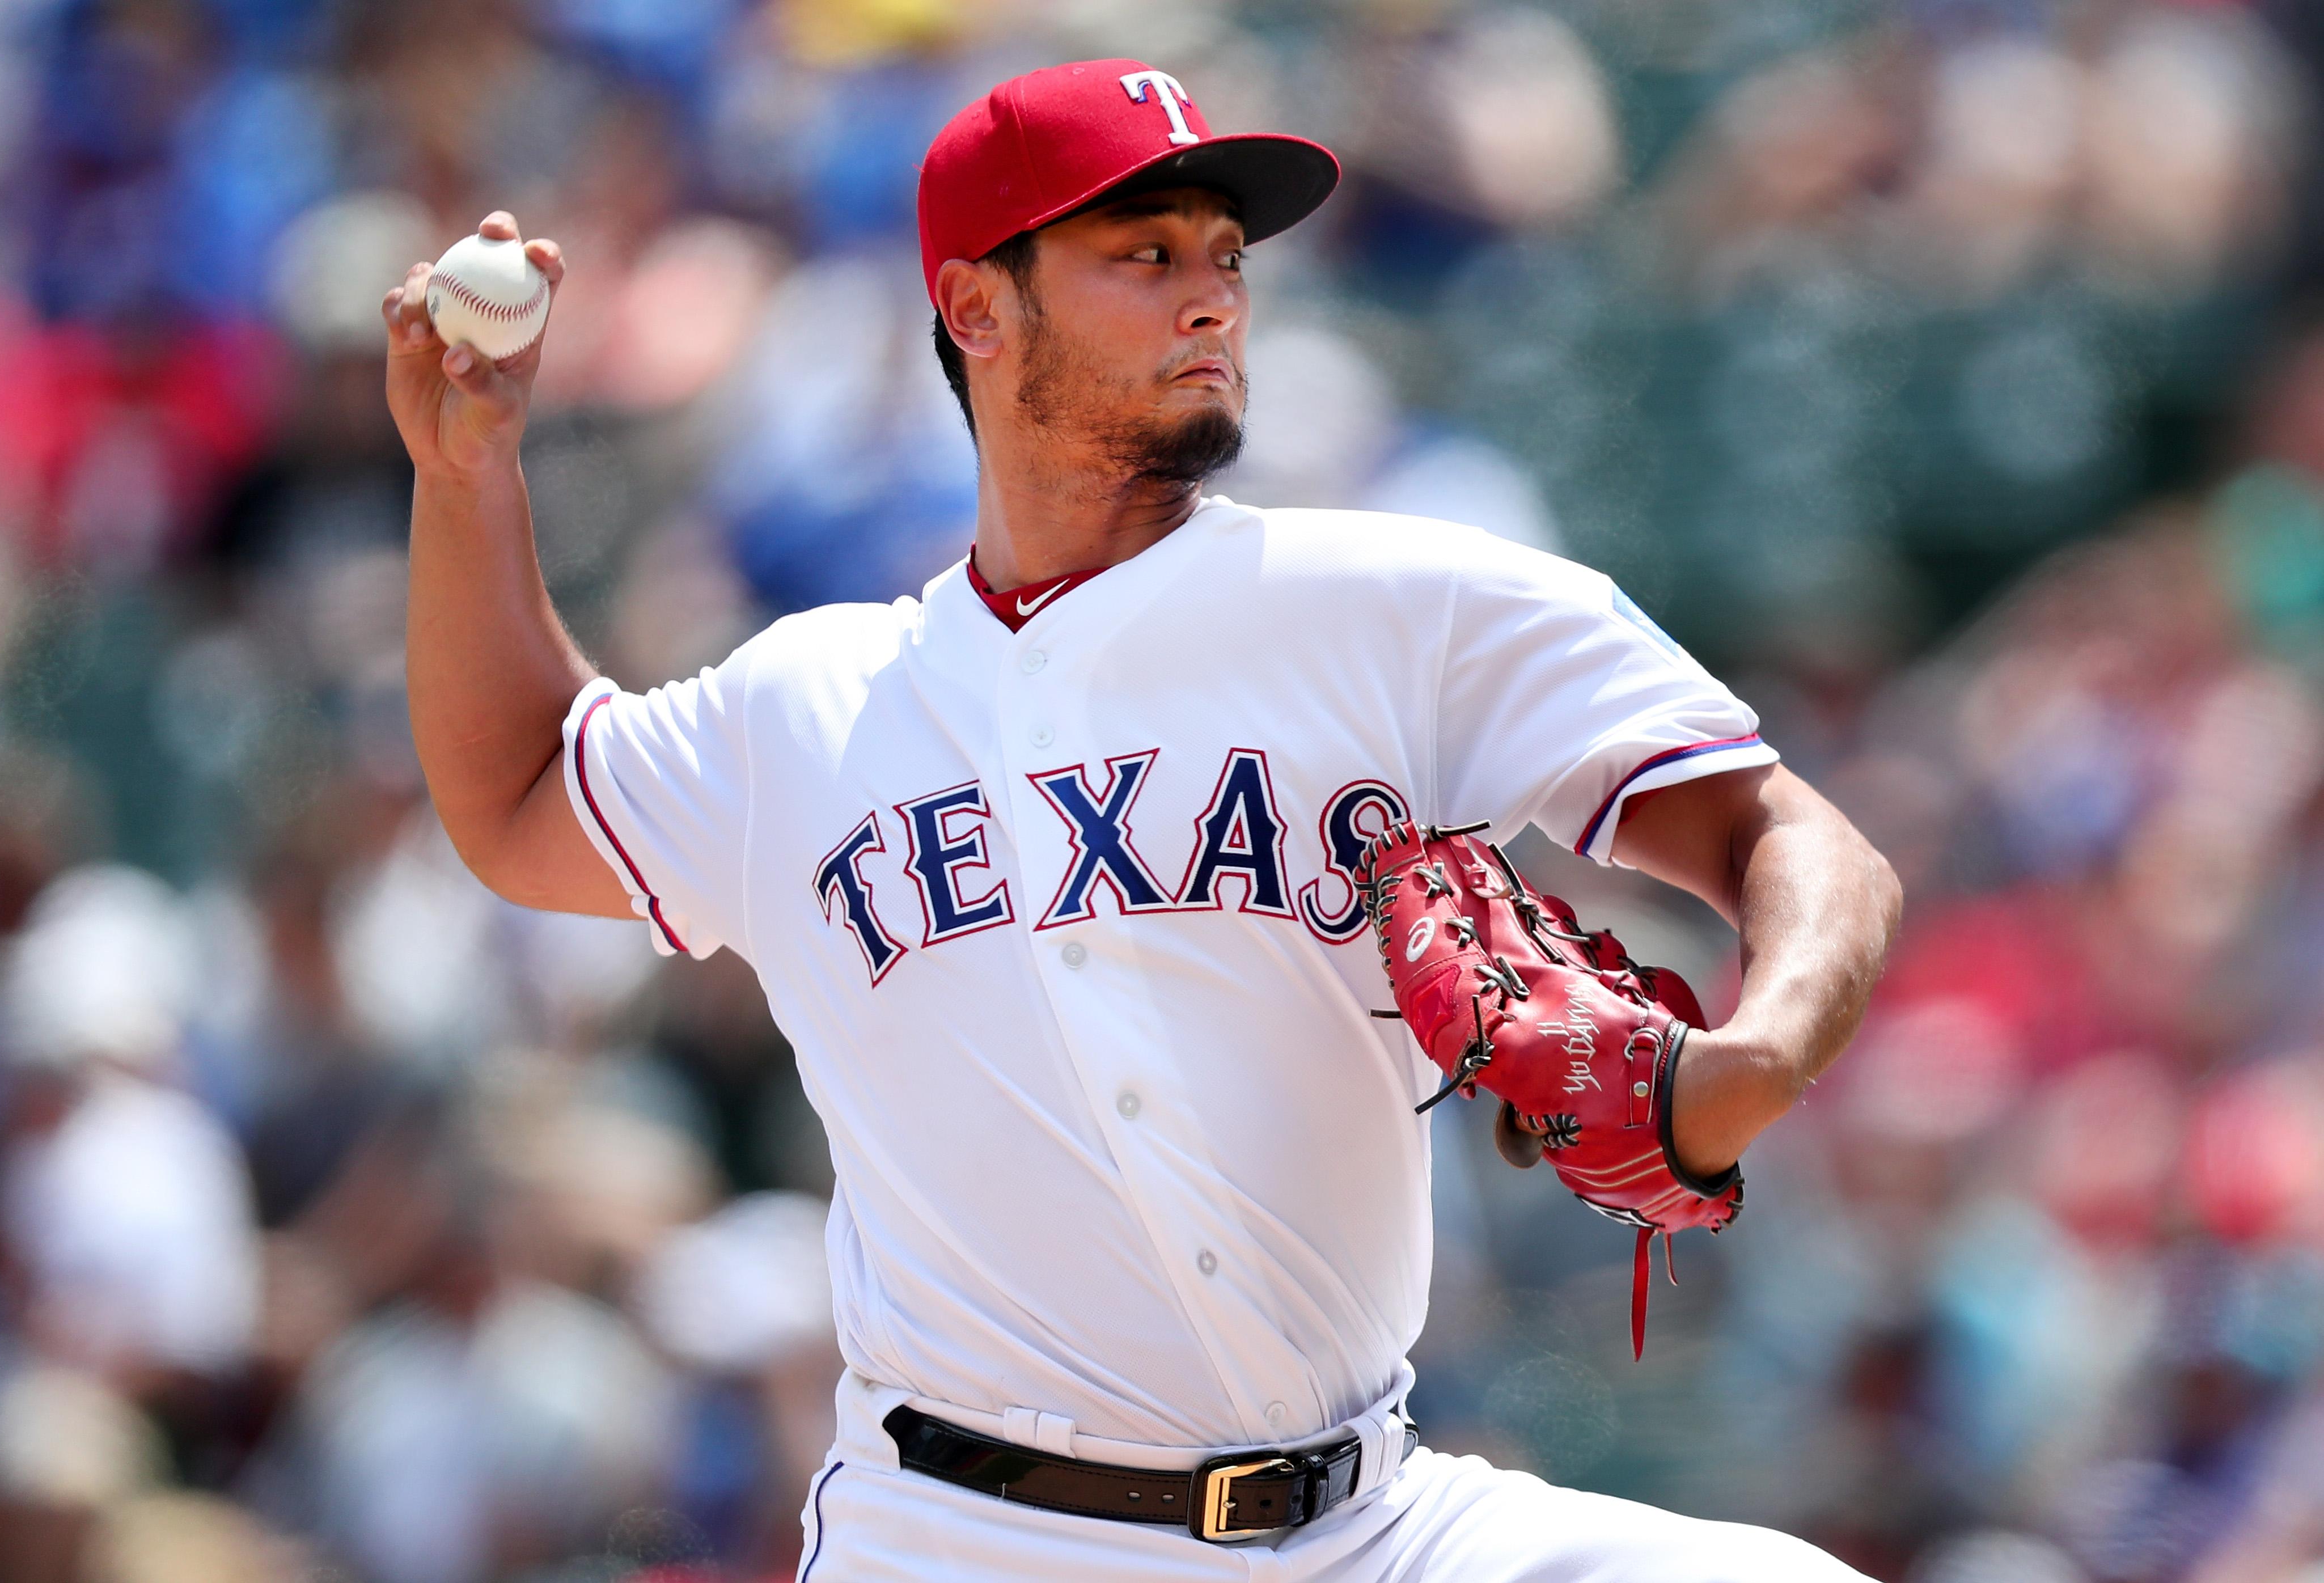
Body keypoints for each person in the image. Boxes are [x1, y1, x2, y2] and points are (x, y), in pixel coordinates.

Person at [382, 58, 1902, 1583]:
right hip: (961, 1540)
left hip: (1370, 1527)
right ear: (977, 310)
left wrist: (1757, 1053)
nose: (1211, 299)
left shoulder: (1397, 606)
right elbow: (519, 794)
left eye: (1226, 257)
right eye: (1145, 255)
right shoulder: (807, 705)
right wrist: (468, 484)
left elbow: (1792, 839)